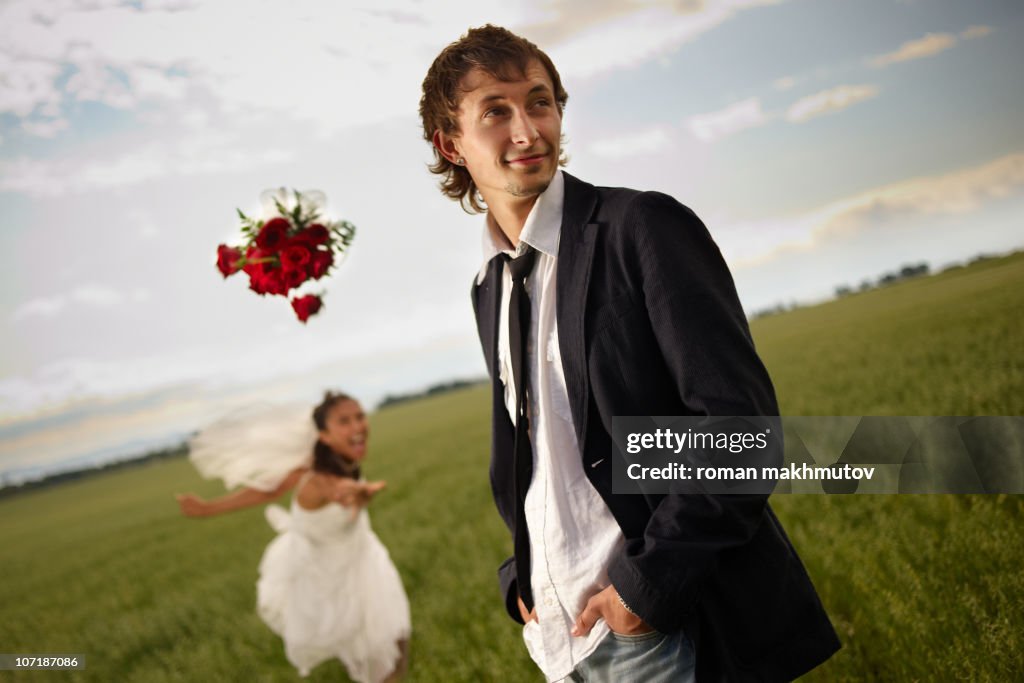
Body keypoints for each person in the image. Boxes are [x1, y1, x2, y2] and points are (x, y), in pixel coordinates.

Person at [419, 25, 840, 682]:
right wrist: (518, 575)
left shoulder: (640, 228)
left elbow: (741, 431)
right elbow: (525, 454)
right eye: (496, 112)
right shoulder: (489, 286)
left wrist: (647, 588)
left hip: (662, 626)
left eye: (539, 101)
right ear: (452, 143)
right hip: (561, 641)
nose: (528, 130)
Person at [176, 391, 410, 682]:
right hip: (327, 574)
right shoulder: (320, 479)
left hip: (360, 557)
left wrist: (360, 497)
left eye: (360, 417)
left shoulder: (329, 462)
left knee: (392, 646)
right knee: (383, 657)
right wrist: (207, 509)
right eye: (344, 421)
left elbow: (273, 490)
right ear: (324, 435)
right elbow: (335, 491)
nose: (357, 427)